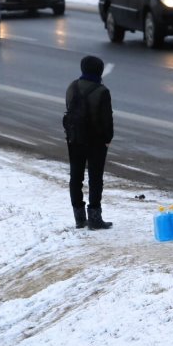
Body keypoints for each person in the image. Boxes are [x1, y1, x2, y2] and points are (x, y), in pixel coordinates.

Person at [65, 55, 114, 230]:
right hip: (96, 142)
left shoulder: (72, 87)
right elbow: (107, 120)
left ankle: (79, 218)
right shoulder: (102, 91)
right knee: (95, 178)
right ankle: (94, 217)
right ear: (99, 71)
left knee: (76, 177)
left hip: (75, 139)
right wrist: (108, 139)